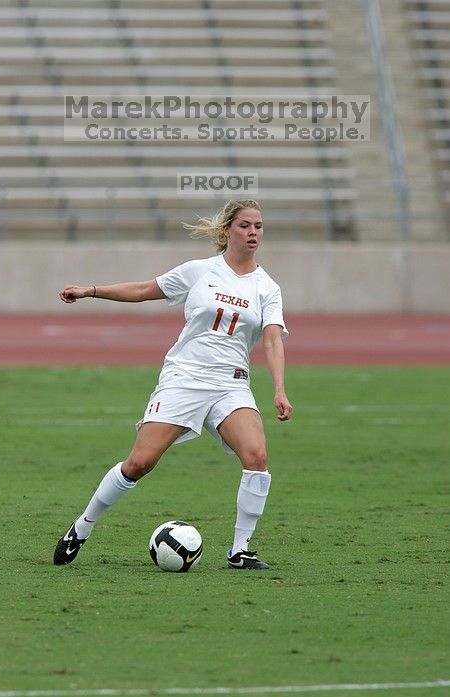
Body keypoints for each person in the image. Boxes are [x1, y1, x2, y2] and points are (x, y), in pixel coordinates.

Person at [53, 199, 292, 569]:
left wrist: (279, 388)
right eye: (246, 226)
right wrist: (91, 290)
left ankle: (239, 550)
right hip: (184, 378)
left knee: (257, 457)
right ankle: (82, 528)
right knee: (139, 462)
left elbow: (273, 339)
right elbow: (144, 289)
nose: (254, 233)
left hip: (231, 385)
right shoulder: (200, 271)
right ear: (228, 230)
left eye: (259, 226)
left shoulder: (267, 287)